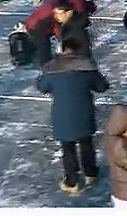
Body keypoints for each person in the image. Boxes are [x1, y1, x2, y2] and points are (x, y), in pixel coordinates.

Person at [37, 38, 108, 195]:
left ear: (62, 49)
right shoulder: (87, 67)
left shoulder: (52, 68)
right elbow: (102, 86)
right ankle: (91, 173)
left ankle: (72, 181)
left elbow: (42, 87)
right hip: (84, 112)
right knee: (86, 144)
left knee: (67, 148)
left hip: (62, 114)